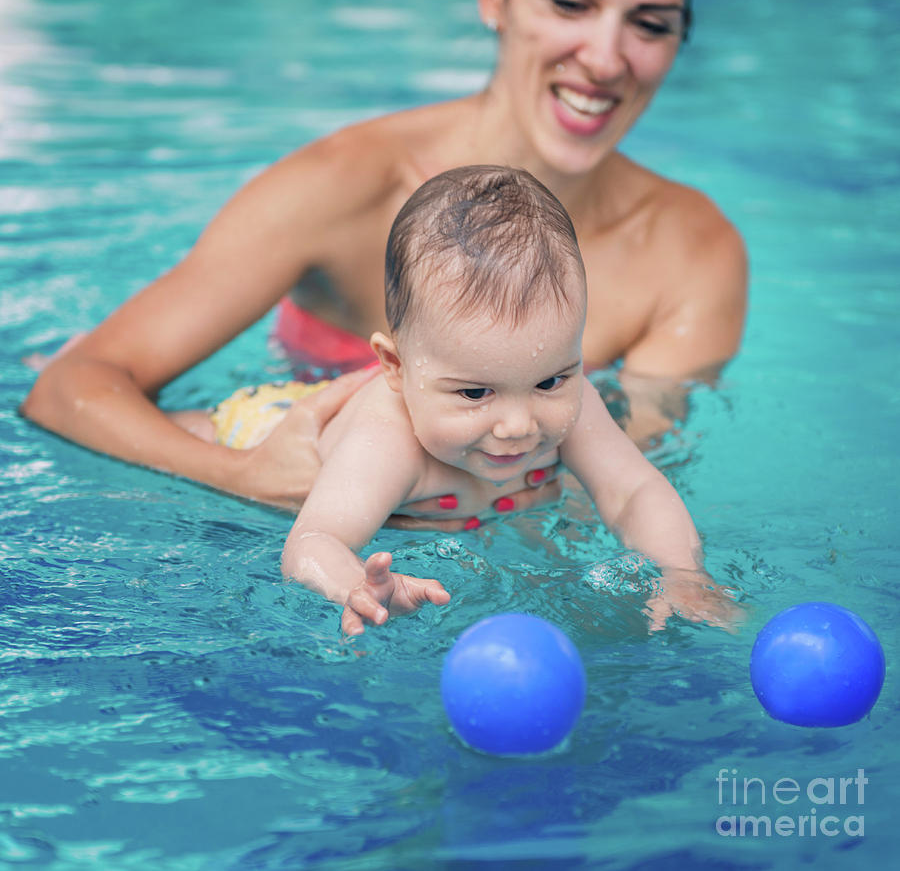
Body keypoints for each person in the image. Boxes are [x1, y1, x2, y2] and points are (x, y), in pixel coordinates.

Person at [21, 0, 747, 524]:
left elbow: (614, 483)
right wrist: (243, 475)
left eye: (650, 25)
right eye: (569, 4)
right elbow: (67, 388)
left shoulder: (692, 253)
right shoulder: (342, 188)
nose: (605, 58)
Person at [176, 165, 739, 635]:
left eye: (550, 381)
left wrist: (680, 572)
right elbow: (312, 540)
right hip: (265, 421)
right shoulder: (385, 440)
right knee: (196, 429)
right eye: (474, 392)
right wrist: (356, 586)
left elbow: (635, 490)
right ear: (395, 368)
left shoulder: (578, 400)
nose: (519, 425)